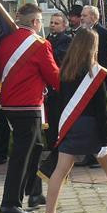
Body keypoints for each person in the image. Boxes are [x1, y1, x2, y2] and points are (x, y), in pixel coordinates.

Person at [41, 28, 107, 213]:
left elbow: (61, 102)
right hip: (91, 126)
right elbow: (101, 110)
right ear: (92, 47)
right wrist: (105, 139)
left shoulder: (65, 70)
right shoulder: (96, 72)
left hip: (70, 123)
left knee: (60, 170)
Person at [0, 3, 60, 213]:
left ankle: (34, 192)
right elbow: (54, 76)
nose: (41, 25)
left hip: (9, 104)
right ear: (34, 22)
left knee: (35, 147)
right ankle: (10, 203)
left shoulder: (5, 42)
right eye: (41, 21)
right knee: (21, 154)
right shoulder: (40, 45)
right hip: (28, 105)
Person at [77, 5, 107, 168]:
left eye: (84, 15)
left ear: (94, 17)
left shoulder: (104, 34)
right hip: (84, 81)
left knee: (100, 118)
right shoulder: (82, 33)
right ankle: (88, 153)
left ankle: (102, 154)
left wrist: (102, 81)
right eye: (81, 15)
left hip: (98, 81)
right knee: (87, 119)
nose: (82, 18)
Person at [37, 11, 72, 180]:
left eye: (57, 23)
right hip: (47, 92)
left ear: (64, 26)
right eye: (51, 22)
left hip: (59, 90)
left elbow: (58, 60)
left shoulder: (66, 41)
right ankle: (52, 150)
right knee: (49, 124)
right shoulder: (46, 40)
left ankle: (60, 155)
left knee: (59, 122)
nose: (52, 25)